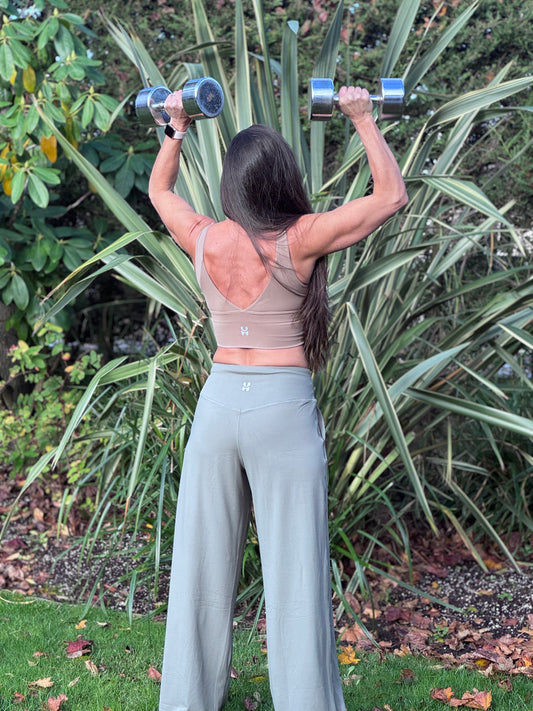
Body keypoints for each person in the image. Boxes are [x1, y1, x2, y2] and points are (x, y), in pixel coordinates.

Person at [149, 85, 408, 711]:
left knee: (200, 572)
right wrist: (363, 117)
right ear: (281, 179)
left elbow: (159, 192)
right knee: (296, 575)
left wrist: (176, 128)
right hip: (281, 410)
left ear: (233, 185)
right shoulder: (301, 238)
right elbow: (391, 196)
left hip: (217, 408)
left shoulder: (205, 238)